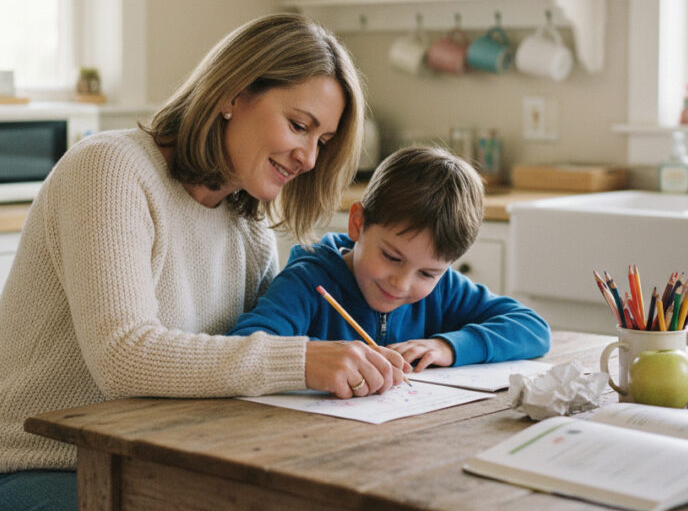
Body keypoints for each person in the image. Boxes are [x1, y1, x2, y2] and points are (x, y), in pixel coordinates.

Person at [0, 13, 409, 511]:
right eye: (299, 126)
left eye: (322, 141)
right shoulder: (110, 170)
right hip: (13, 471)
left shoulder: (247, 227)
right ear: (232, 94)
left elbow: (233, 361)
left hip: (138, 465)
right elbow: (123, 358)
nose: (310, 158)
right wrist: (302, 361)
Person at [229, 146, 551, 372]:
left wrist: (449, 347)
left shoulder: (443, 288)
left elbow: (533, 329)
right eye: (392, 257)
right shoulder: (308, 281)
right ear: (358, 223)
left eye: (427, 272)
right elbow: (243, 347)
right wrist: (315, 359)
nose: (402, 283)